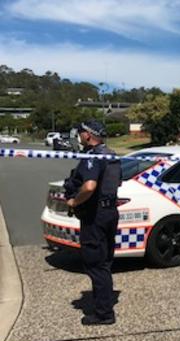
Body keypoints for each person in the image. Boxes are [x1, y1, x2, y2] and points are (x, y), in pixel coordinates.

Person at [66, 121, 121, 325]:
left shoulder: (93, 156)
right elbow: (117, 182)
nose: (79, 136)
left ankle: (103, 313)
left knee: (95, 264)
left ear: (88, 135)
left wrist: (73, 200)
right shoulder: (112, 155)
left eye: (80, 132)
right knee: (104, 263)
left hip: (95, 216)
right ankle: (104, 304)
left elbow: (89, 186)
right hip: (109, 213)